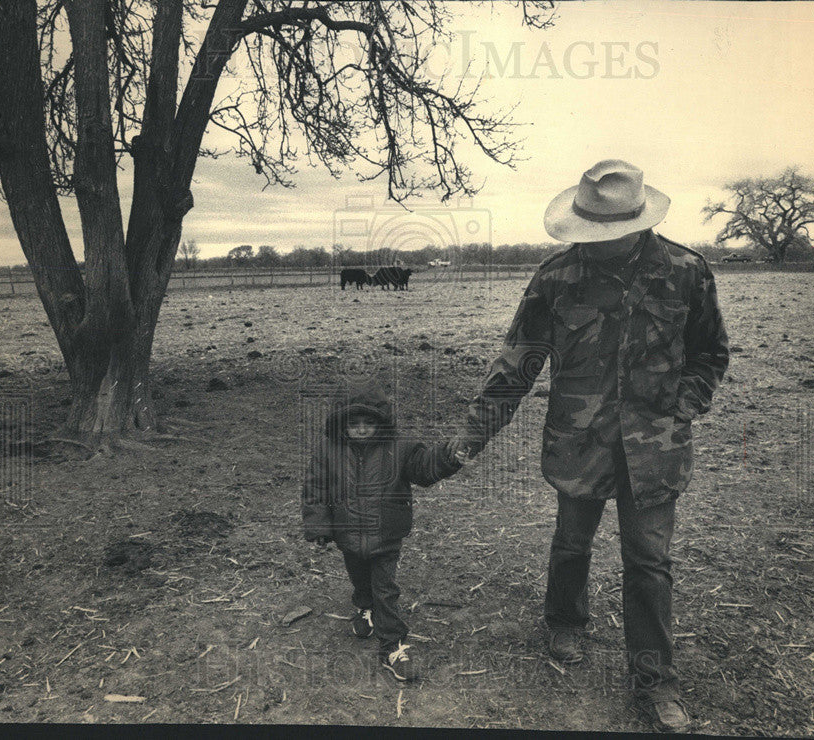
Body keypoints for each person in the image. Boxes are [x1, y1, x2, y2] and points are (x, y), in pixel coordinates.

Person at [448, 159, 729, 733]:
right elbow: (515, 368)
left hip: (656, 447)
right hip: (580, 443)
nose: (598, 244)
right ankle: (564, 620)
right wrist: (470, 438)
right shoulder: (555, 280)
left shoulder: (685, 271)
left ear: (636, 221)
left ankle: (654, 679)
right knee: (572, 542)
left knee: (649, 561)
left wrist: (685, 404)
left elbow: (710, 353)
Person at [303, 382, 463, 681]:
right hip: (347, 532)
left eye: (368, 423)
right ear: (342, 422)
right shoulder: (328, 449)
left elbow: (425, 468)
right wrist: (319, 526)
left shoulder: (400, 447)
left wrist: (448, 457)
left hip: (386, 534)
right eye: (354, 423)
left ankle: (393, 645)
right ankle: (364, 607)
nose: (362, 430)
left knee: (385, 590)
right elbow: (315, 487)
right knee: (359, 577)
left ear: (381, 422)